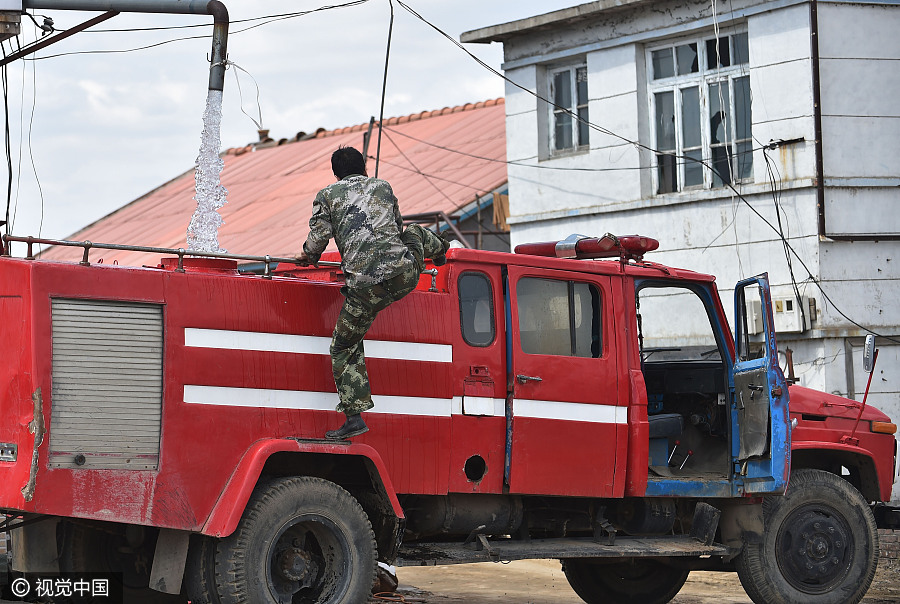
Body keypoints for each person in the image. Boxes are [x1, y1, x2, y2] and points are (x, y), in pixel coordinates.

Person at [295, 146, 449, 440]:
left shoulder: (327, 195)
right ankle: (441, 251)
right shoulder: (384, 187)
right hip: (403, 276)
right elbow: (397, 227)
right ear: (364, 167)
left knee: (344, 346)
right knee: (415, 233)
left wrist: (306, 257)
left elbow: (318, 239)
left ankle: (354, 417)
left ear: (335, 173)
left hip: (364, 289)